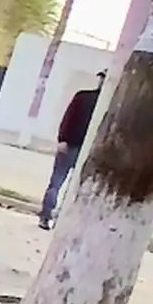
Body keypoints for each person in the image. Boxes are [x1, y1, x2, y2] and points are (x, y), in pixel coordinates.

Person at [40, 72, 105, 230]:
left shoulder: (83, 97)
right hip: (89, 150)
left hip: (71, 146)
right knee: (76, 188)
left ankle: (46, 217)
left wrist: (62, 139)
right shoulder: (110, 104)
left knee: (56, 182)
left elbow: (68, 118)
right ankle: (60, 220)